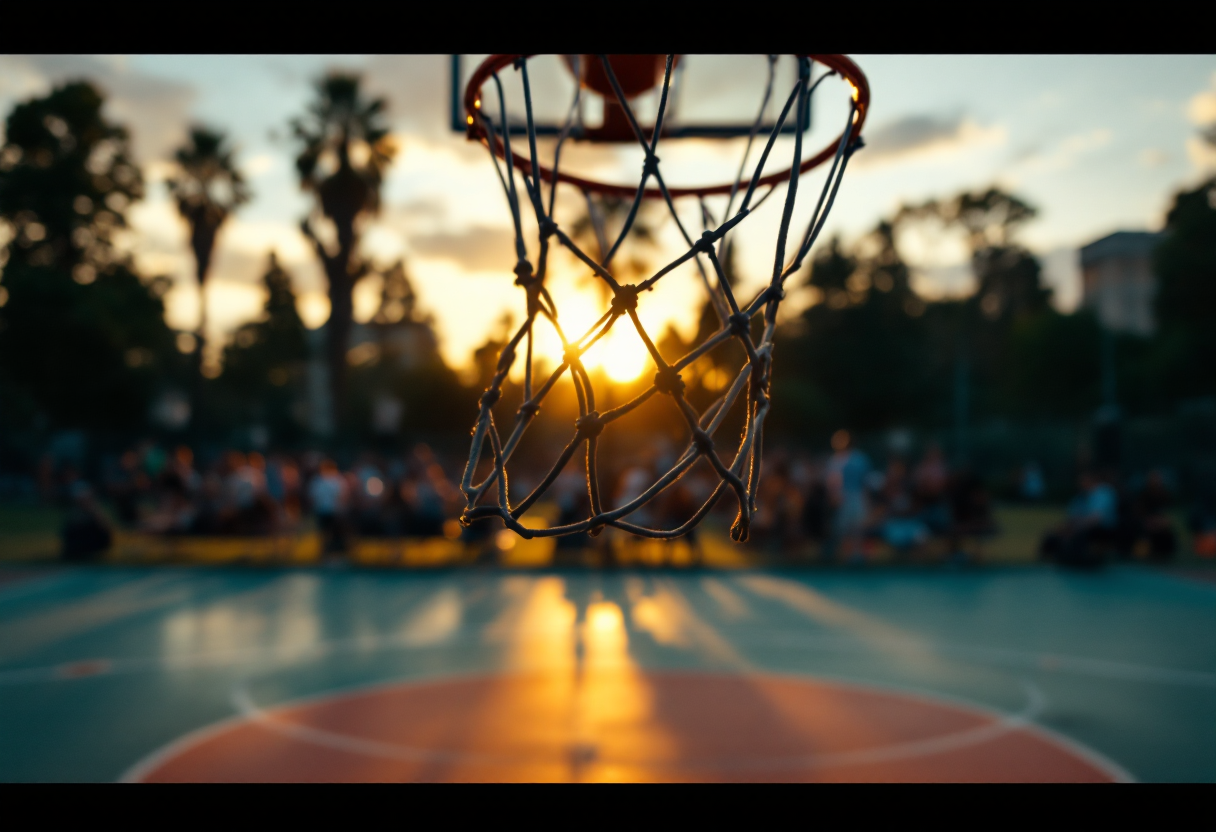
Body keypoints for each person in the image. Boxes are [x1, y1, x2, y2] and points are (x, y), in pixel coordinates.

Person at [1040, 471, 1118, 567]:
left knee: (1079, 535)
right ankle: (1050, 560)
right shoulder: (1080, 497)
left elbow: (1095, 519)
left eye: (1083, 481)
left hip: (1102, 529)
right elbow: (1072, 518)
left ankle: (1078, 560)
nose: (1081, 484)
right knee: (1052, 535)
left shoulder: (1103, 493)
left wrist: (1075, 528)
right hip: (1083, 527)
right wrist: (1062, 529)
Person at [825, 430, 870, 563]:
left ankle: (857, 554)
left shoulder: (859, 459)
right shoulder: (835, 460)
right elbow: (831, 482)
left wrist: (866, 500)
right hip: (842, 498)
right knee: (842, 527)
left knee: (857, 527)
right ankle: (844, 554)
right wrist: (833, 496)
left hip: (857, 496)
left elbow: (865, 481)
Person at [61, 482, 112, 561]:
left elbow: (106, 528)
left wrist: (93, 512)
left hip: (95, 542)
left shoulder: (96, 509)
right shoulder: (74, 512)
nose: (84, 501)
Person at [309, 459, 350, 558]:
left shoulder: (335, 481)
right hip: (326, 512)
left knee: (334, 536)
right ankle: (328, 555)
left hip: (332, 512)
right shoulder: (320, 481)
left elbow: (343, 497)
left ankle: (335, 555)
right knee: (327, 536)